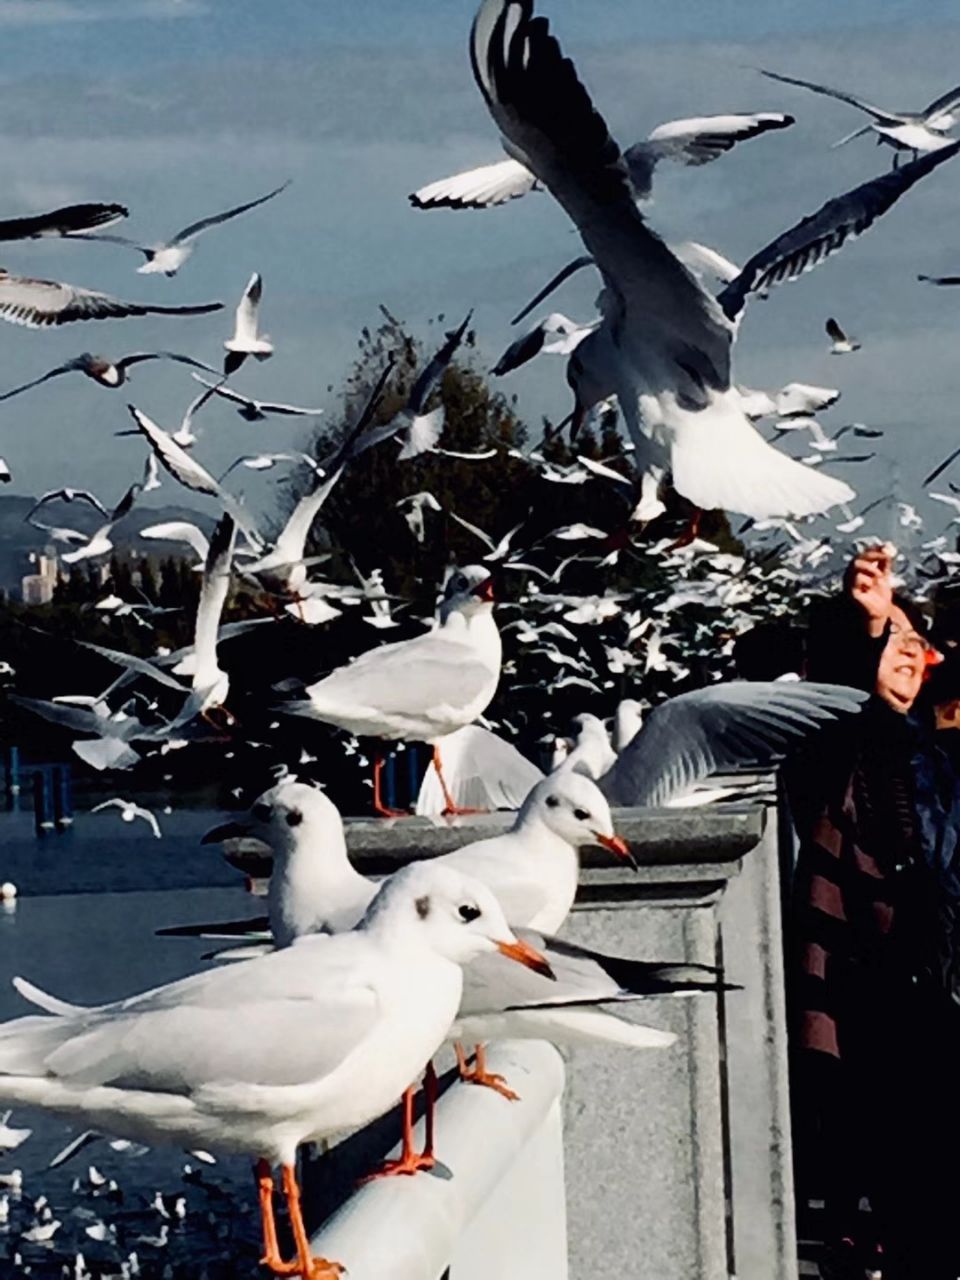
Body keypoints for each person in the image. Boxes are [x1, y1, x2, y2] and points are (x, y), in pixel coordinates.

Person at [787, 545, 960, 1280]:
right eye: (895, 645)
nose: (907, 654)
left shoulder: (939, 758)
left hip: (940, 990)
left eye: (915, 645)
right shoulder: (840, 748)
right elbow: (848, 715)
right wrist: (871, 623)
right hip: (878, 998)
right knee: (911, 1192)